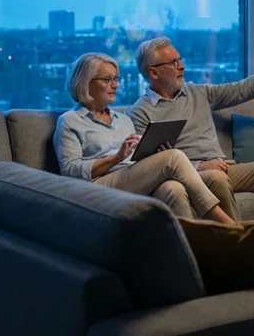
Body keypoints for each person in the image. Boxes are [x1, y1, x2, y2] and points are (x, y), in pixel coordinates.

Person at [127, 37, 254, 218]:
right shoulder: (140, 112)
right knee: (217, 177)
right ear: (153, 73)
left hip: (224, 167)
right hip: (189, 177)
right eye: (173, 62)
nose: (182, 66)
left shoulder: (199, 93)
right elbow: (147, 167)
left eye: (180, 60)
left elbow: (243, 89)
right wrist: (199, 166)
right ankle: (236, 241)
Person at [53, 52, 235, 224]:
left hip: (132, 179)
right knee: (174, 155)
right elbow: (69, 170)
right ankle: (227, 224)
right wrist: (116, 158)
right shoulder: (70, 121)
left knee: (174, 189)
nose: (115, 85)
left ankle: (190, 251)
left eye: (116, 79)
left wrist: (151, 152)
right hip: (98, 187)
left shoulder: (123, 120)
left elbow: (136, 162)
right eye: (107, 80)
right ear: (85, 82)